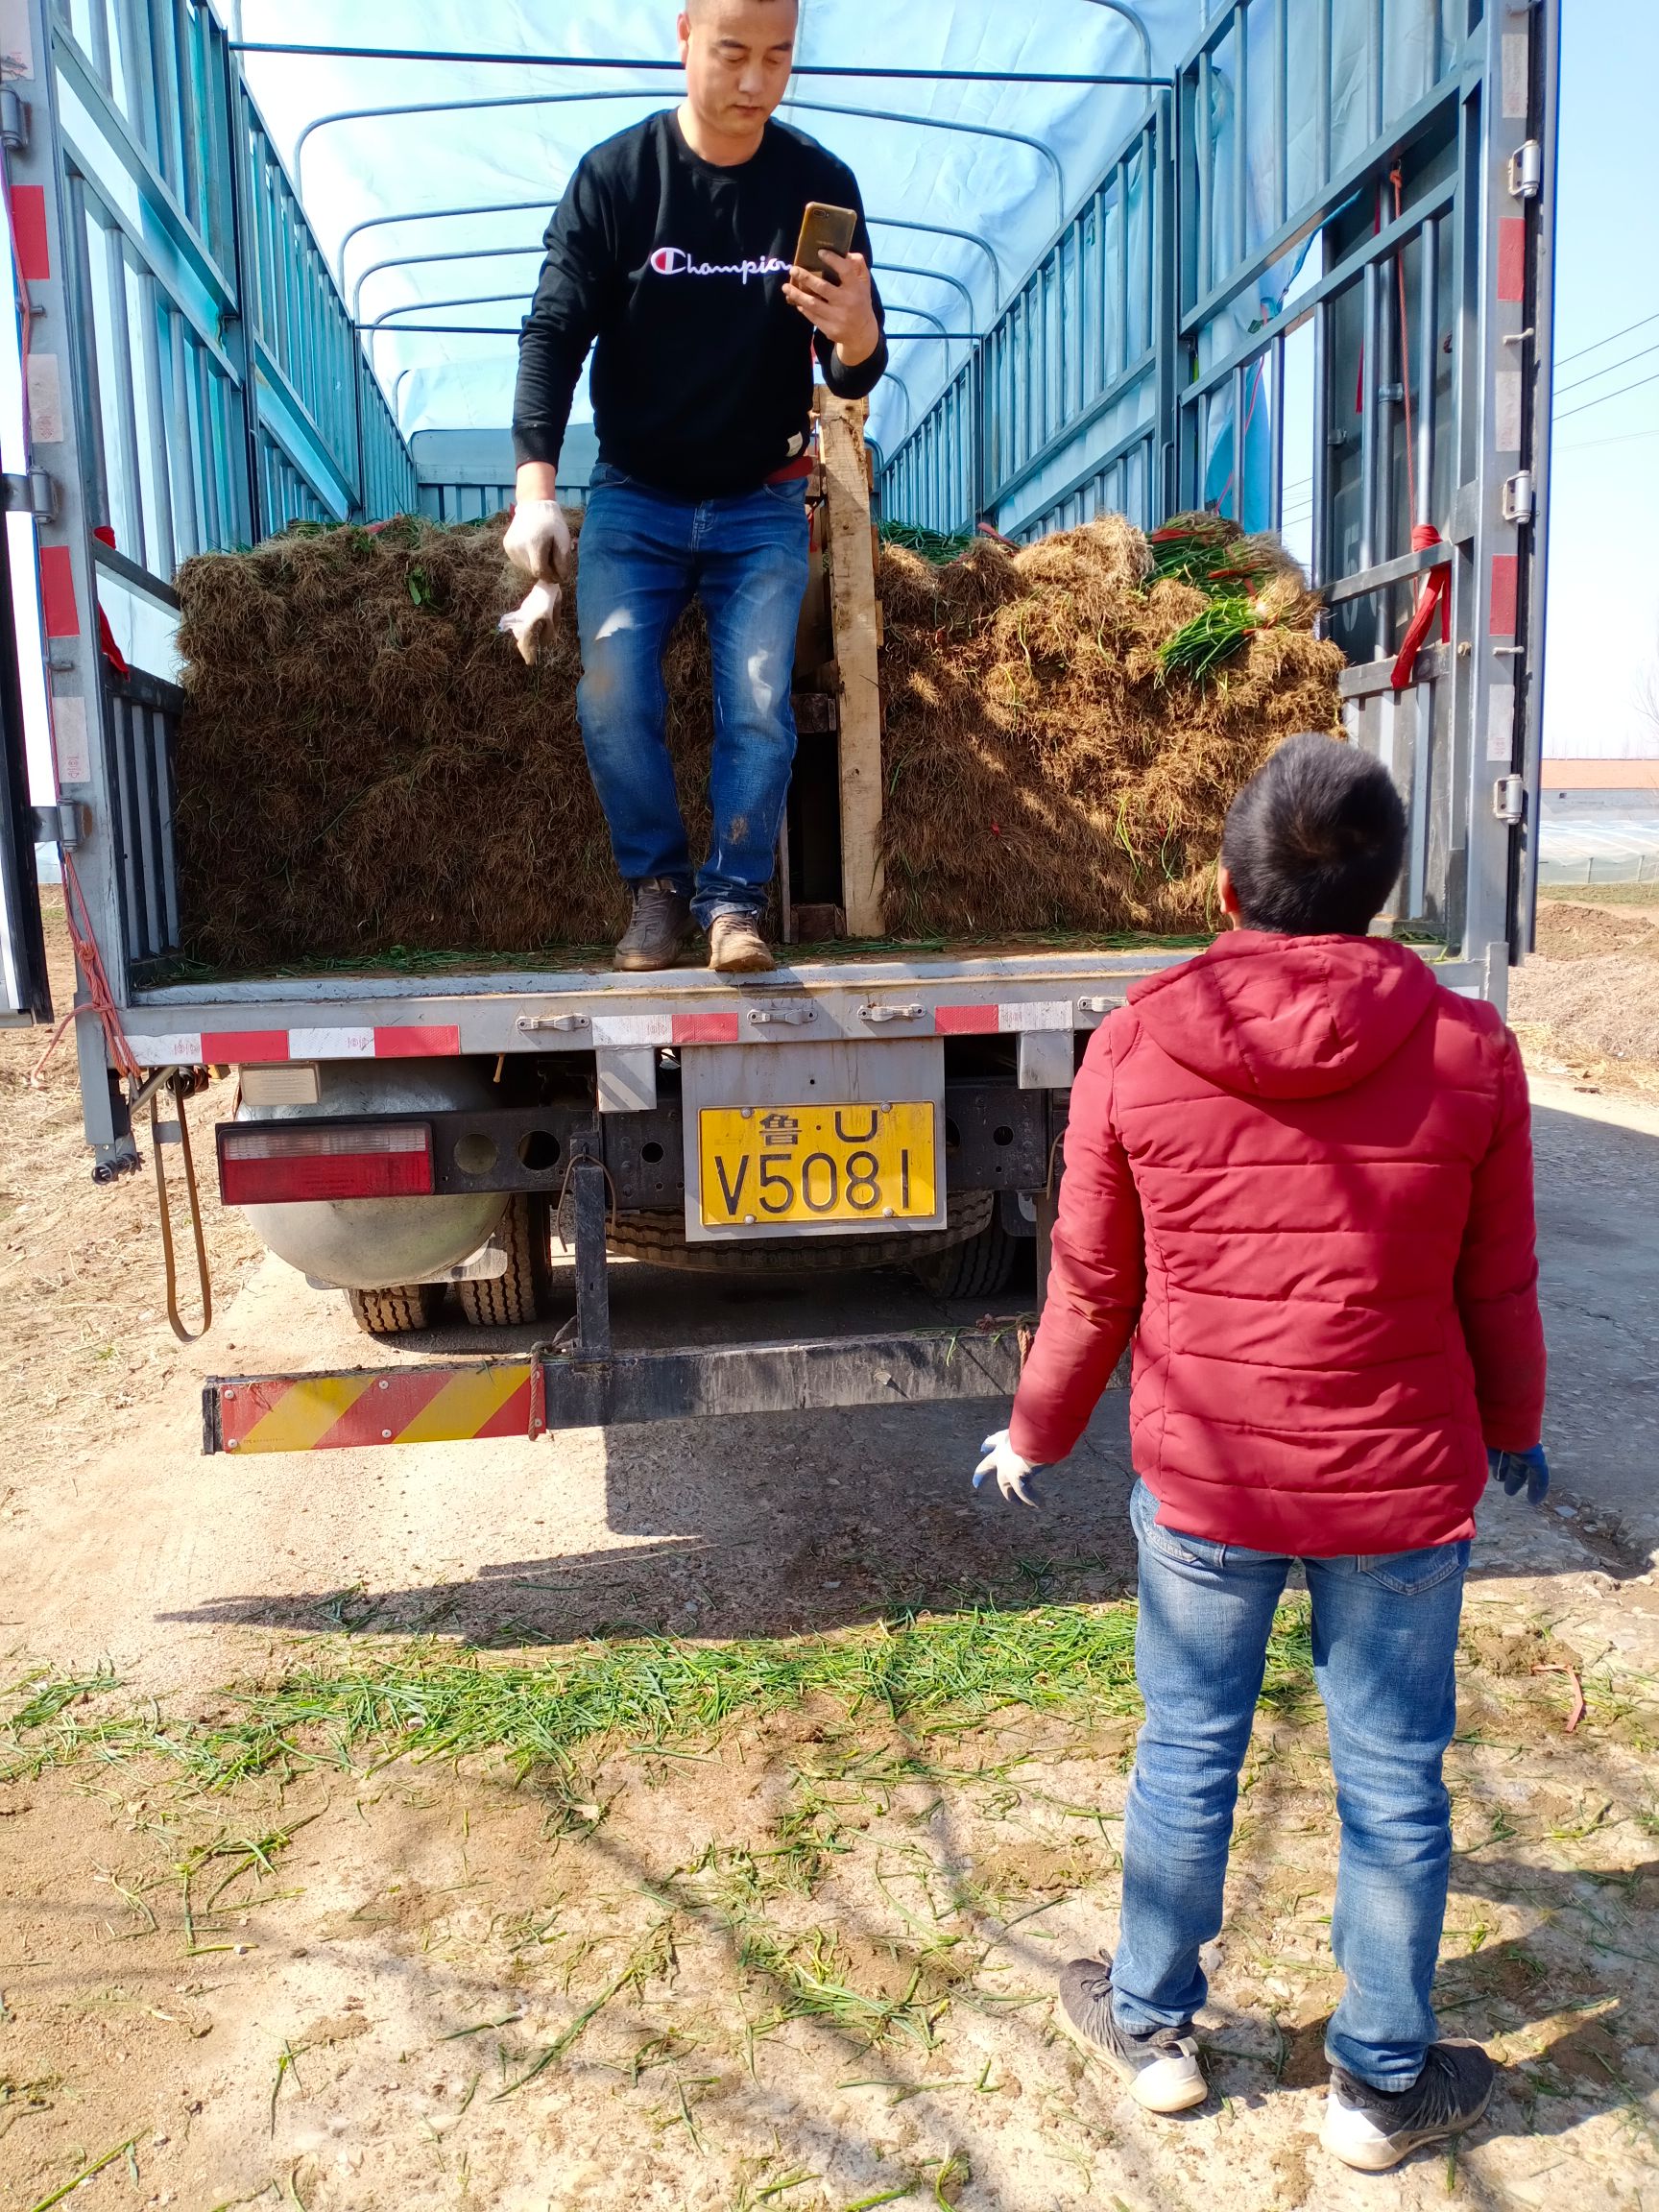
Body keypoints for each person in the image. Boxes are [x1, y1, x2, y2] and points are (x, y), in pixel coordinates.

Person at [974, 733, 1548, 2173]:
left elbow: (1092, 1285)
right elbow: (1501, 1287)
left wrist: (1035, 1427)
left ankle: (1157, 2031)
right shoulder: (1470, 1045)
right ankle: (1380, 2084)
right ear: (1384, 892)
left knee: (1186, 1753)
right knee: (1397, 1779)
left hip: (1209, 1485)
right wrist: (1519, 1429)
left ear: (1224, 887)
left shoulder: (1136, 1042)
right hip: (1403, 1491)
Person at [506, 0, 887, 975]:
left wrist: (857, 338)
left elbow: (846, 376)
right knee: (610, 687)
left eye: (778, 56)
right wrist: (535, 488)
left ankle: (732, 902)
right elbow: (553, 330)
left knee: (759, 701)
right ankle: (659, 888)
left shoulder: (818, 186)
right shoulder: (618, 180)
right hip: (637, 495)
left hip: (763, 495)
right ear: (684, 39)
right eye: (732, 52)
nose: (756, 79)